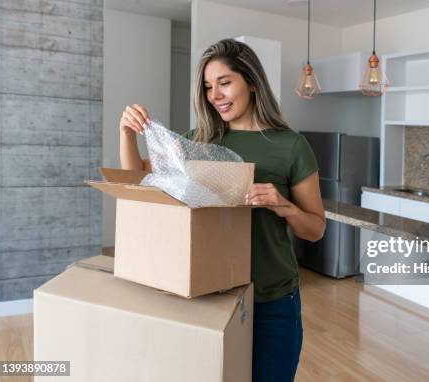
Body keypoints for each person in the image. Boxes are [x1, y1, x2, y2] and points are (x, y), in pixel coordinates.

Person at [118, 38, 326, 381]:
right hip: (207, 299)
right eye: (208, 87)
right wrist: (126, 134)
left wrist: (284, 206)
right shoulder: (198, 142)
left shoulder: (291, 146)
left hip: (271, 302)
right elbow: (138, 183)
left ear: (253, 83)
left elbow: (315, 229)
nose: (215, 95)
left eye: (225, 83)